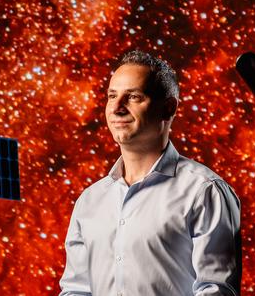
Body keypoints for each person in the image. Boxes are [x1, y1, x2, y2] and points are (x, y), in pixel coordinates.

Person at [59, 51, 241, 296]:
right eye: (112, 96)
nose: (116, 108)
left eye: (133, 96)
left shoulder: (203, 192)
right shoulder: (89, 201)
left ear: (168, 108)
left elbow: (216, 291)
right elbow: (75, 290)